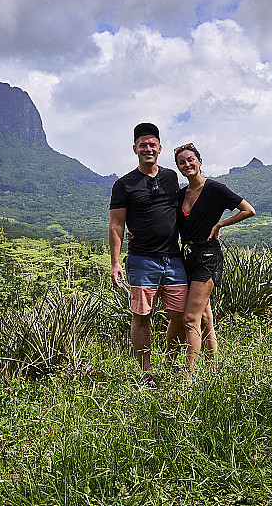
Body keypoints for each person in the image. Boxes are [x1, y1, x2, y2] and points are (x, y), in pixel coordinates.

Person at [109, 123, 187, 386]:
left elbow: (185, 206)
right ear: (134, 149)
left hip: (173, 258)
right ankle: (146, 371)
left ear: (160, 149)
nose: (148, 149)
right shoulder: (124, 184)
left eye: (152, 144)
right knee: (142, 316)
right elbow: (117, 224)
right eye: (143, 145)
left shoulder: (170, 178)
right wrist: (115, 262)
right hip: (142, 259)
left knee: (180, 315)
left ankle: (171, 359)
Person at [173, 142, 255, 374]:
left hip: (208, 255)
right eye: (182, 162)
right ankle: (213, 368)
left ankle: (188, 378)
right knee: (205, 317)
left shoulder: (215, 189)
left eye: (191, 160)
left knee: (190, 319)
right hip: (186, 256)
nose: (187, 164)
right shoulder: (180, 195)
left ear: (200, 161)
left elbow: (248, 210)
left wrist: (220, 224)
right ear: (178, 167)